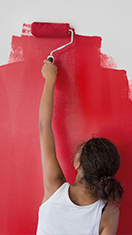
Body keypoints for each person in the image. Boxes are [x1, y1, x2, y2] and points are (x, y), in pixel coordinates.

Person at [37, 60, 124, 235]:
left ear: (78, 163)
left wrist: (50, 79)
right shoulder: (108, 213)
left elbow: (44, 126)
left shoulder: (55, 186)